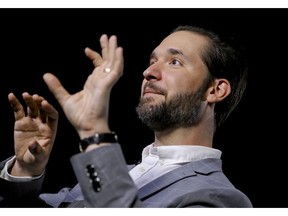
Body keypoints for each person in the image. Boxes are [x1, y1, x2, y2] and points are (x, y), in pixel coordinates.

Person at [0, 25, 252, 207]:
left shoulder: (221, 199)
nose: (148, 72)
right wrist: (25, 170)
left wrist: (93, 131)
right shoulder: (117, 173)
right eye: (152, 61)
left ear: (215, 90)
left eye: (174, 62)